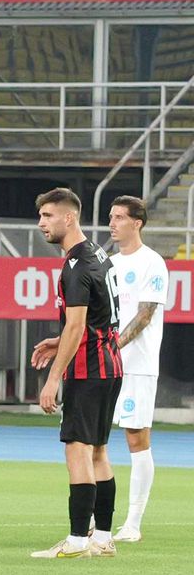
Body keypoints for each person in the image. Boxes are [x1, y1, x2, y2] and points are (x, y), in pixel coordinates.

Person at [30, 187, 123, 559]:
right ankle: (101, 537)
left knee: (77, 449)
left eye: (48, 216)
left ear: (69, 217)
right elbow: (94, 318)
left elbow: (77, 327)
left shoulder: (76, 265)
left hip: (89, 369)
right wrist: (61, 338)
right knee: (99, 451)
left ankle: (77, 541)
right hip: (111, 364)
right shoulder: (100, 254)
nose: (41, 224)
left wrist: (54, 377)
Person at [108, 196, 167, 542]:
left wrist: (111, 347)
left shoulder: (153, 263)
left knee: (136, 438)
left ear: (137, 223)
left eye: (119, 218)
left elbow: (145, 314)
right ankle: (95, 518)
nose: (112, 224)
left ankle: (132, 524)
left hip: (138, 366)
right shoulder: (110, 263)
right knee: (95, 440)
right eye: (111, 217)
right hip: (109, 365)